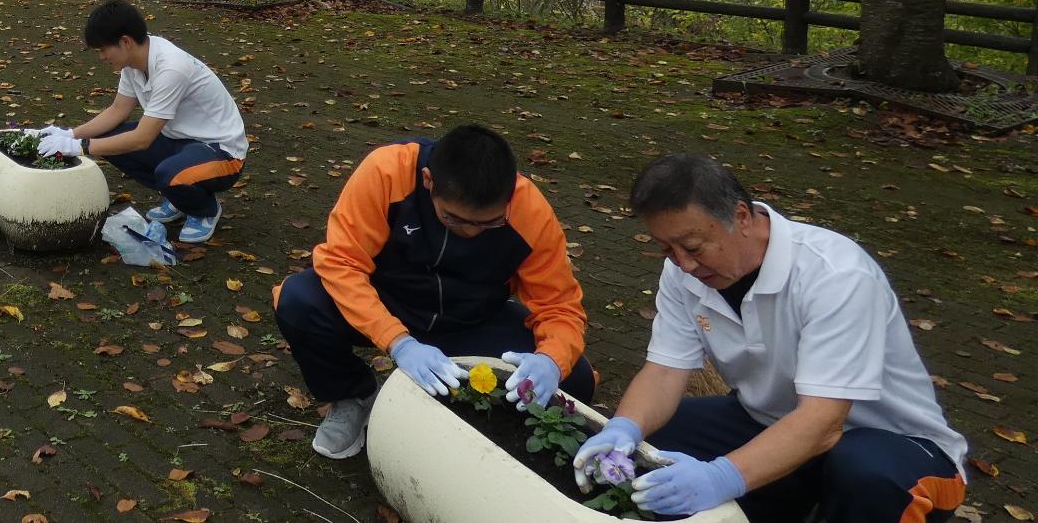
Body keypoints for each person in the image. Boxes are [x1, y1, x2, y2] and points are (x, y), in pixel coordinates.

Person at [571, 153, 967, 523]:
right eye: (667, 250)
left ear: (741, 217)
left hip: (892, 445)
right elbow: (663, 371)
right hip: (771, 420)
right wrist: (623, 428)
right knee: (654, 441)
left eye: (692, 247)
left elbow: (823, 422)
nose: (684, 263)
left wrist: (720, 477)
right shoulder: (682, 273)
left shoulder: (836, 275)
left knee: (866, 474)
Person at [270, 124, 594, 461]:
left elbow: (560, 307)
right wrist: (399, 341)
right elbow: (341, 263)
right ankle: (354, 395)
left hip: (471, 319)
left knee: (577, 381)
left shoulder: (531, 212)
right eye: (453, 219)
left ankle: (490, 429)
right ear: (428, 181)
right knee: (298, 300)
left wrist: (550, 360)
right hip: (389, 303)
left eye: (489, 223)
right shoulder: (387, 172)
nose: (470, 232)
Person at [33, 0, 246, 245]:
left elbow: (142, 139)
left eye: (103, 49)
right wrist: (71, 134)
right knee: (106, 139)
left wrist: (82, 147)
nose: (101, 57)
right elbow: (117, 110)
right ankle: (179, 197)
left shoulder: (171, 68)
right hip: (179, 139)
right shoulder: (133, 64)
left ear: (125, 41)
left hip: (222, 152)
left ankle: (204, 209)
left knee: (169, 173)